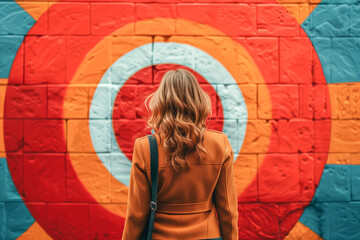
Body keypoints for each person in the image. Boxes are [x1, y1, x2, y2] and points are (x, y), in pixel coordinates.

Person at [121, 69, 239, 240]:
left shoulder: (145, 147)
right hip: (207, 235)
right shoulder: (220, 144)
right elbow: (228, 210)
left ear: (161, 102)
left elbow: (136, 215)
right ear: (199, 100)